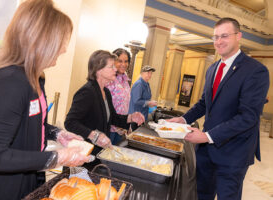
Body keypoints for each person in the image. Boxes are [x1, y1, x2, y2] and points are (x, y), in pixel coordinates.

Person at [0, 1, 93, 199]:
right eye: (61, 40)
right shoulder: (8, 83)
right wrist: (57, 157)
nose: (64, 49)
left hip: (27, 178)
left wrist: (57, 133)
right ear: (40, 40)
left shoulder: (36, 78)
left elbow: (31, 121)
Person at [168, 17, 269, 200]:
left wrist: (207, 136)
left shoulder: (256, 70)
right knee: (200, 195)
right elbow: (204, 103)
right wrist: (183, 119)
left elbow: (248, 117)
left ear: (239, 36)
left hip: (234, 153)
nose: (218, 41)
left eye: (224, 36)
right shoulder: (212, 68)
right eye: (215, 37)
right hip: (206, 151)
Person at [65, 50, 145, 156]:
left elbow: (112, 118)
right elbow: (70, 122)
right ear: (98, 69)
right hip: (83, 153)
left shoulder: (105, 92)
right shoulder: (87, 92)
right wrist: (94, 135)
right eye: (111, 67)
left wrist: (131, 117)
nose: (115, 69)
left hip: (98, 153)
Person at [105, 48, 131, 145]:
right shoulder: (109, 79)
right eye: (120, 61)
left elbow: (126, 103)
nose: (123, 64)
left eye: (126, 61)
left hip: (121, 128)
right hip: (109, 127)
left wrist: (127, 125)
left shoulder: (125, 80)